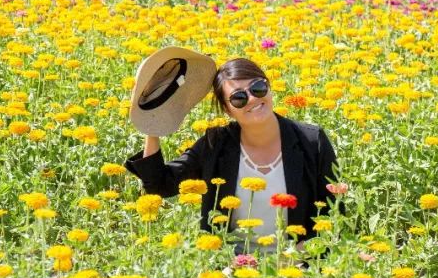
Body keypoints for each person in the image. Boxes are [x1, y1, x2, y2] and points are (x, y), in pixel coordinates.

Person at [125, 52, 340, 251]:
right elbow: (160, 185)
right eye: (239, 98)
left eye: (258, 88)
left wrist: (301, 255)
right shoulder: (215, 144)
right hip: (233, 267)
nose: (253, 99)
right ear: (227, 109)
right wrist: (151, 123)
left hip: (297, 266)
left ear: (269, 87)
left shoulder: (312, 141)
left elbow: (333, 212)